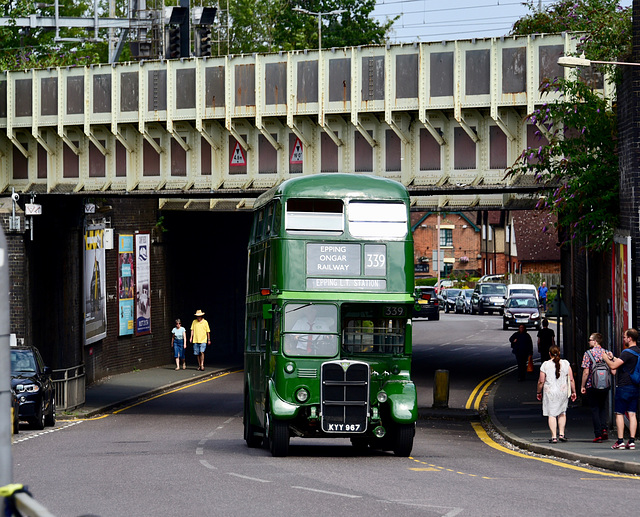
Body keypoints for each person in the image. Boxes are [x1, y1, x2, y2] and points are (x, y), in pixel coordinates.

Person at [602, 328, 640, 450]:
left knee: (619, 413)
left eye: (624, 337)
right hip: (635, 386)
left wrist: (605, 358)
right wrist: (613, 357)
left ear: (630, 338)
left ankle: (620, 441)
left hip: (624, 387)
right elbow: (620, 364)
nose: (623, 339)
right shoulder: (638, 352)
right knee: (632, 414)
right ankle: (632, 441)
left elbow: (613, 367)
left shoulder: (626, 352)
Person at [537, 345, 577, 443]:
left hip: (549, 392)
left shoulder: (545, 365)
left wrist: (538, 392)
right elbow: (571, 379)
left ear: (549, 354)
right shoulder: (566, 363)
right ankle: (562, 434)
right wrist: (574, 391)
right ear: (559, 353)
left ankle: (554, 437)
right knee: (562, 412)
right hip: (562, 391)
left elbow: (541, 381)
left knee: (551, 414)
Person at [580, 332, 612, 442]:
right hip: (605, 385)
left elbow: (585, 372)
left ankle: (598, 434)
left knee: (594, 409)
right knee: (602, 407)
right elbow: (612, 369)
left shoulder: (588, 354)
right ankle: (604, 429)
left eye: (590, 340)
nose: (588, 341)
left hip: (591, 385)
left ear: (595, 341)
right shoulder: (607, 353)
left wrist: (582, 385)